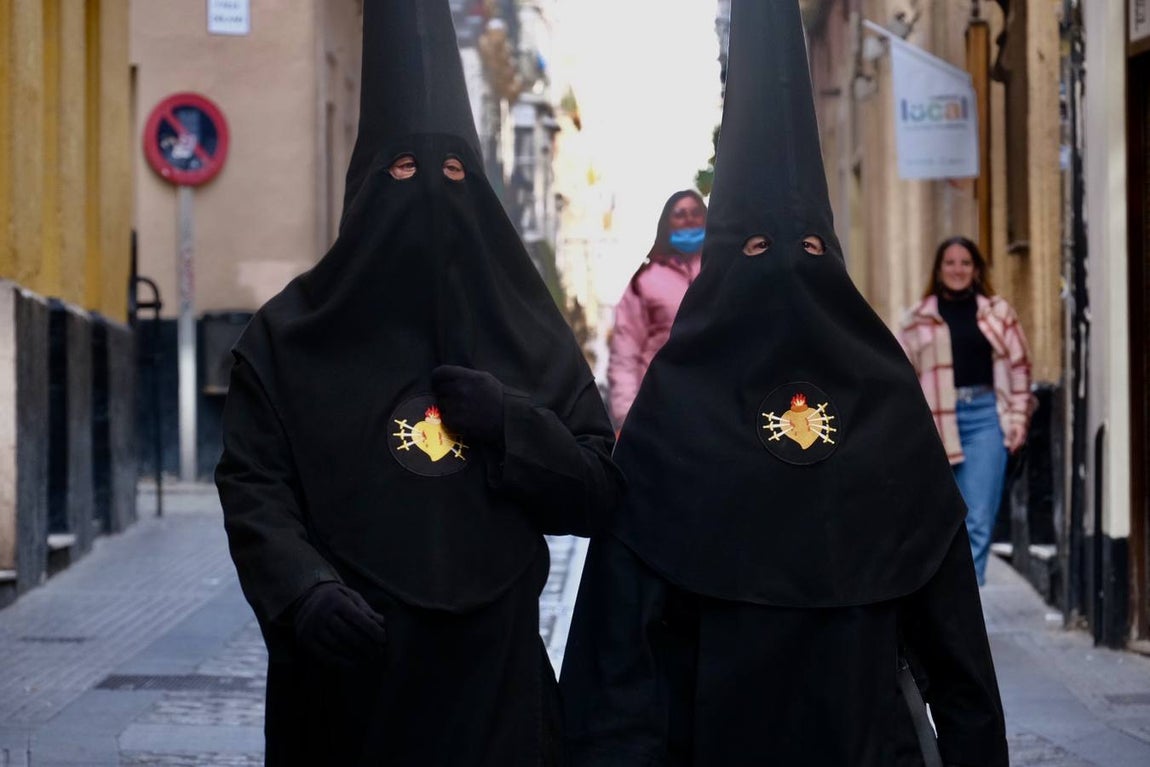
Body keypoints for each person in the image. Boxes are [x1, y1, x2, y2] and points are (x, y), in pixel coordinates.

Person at [559, 1, 1008, 765]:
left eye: (807, 249)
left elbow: (957, 643)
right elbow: (620, 661)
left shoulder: (882, 403)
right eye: (759, 248)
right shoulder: (674, 415)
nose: (788, 272)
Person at [214, 2, 622, 765]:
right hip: (345, 697)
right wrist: (303, 589)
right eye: (403, 170)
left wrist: (510, 423)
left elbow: (599, 490)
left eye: (454, 173)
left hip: (496, 696)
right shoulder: (288, 340)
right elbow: (253, 486)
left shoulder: (526, 331)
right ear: (368, 184)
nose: (430, 191)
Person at [898, 236, 1034, 586]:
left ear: (976, 270)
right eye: (950, 263)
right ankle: (941, 602)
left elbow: (1019, 368)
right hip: (936, 423)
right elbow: (902, 378)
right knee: (938, 518)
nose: (957, 269)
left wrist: (1017, 420)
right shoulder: (916, 319)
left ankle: (970, 606)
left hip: (987, 419)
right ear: (938, 269)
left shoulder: (998, 313)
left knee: (978, 518)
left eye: (965, 263)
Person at [607, 190, 707, 427]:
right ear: (666, 224)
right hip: (660, 410)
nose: (689, 219)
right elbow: (625, 352)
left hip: (717, 408)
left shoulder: (723, 273)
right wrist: (626, 416)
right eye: (680, 214)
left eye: (695, 212)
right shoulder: (644, 281)